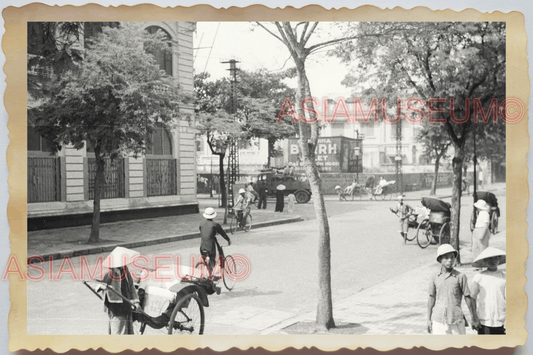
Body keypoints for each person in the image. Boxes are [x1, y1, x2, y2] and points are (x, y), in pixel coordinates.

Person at [427, 244, 479, 335]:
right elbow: (431, 298)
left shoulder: (460, 277)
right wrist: (428, 319)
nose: (450, 260)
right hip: (439, 320)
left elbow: (468, 298)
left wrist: (473, 317)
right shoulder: (434, 277)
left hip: (456, 319)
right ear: (439, 259)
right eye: (446, 258)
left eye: (452, 257)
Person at [97, 247, 142, 335]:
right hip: (115, 306)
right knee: (118, 330)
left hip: (126, 303)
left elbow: (131, 285)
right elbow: (96, 282)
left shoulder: (124, 269)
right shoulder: (109, 271)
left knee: (128, 330)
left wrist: (136, 301)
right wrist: (103, 286)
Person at [470, 247, 506, 335]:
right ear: (485, 261)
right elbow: (472, 298)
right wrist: (474, 318)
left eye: (495, 258)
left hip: (501, 321)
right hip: (484, 321)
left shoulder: (504, 277)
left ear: (499, 259)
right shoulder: (479, 277)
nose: (492, 261)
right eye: (489, 258)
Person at [199, 207, 231, 288]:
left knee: (208, 262)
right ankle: (213, 279)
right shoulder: (215, 225)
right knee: (213, 261)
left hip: (202, 247)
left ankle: (209, 277)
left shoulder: (201, 224)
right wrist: (228, 240)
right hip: (210, 247)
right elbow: (223, 233)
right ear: (213, 216)